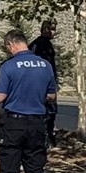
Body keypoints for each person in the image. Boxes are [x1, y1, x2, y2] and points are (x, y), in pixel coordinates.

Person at [0, 29, 57, 173]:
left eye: (7, 48)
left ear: (11, 44)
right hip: (38, 124)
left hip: (13, 124)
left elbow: (0, 96)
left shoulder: (8, 66)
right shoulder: (45, 65)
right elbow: (51, 95)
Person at [28, 20, 58, 148]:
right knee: (48, 112)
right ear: (44, 29)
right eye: (50, 29)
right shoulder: (42, 45)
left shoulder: (36, 44)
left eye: (54, 29)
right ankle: (46, 140)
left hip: (39, 84)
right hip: (43, 84)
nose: (52, 32)